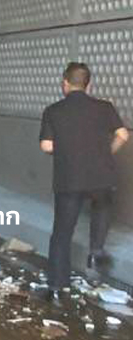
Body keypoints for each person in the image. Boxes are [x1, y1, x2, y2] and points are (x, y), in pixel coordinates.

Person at [39, 62, 129, 298]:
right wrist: (107, 152)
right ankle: (96, 251)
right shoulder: (104, 107)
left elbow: (46, 145)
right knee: (102, 208)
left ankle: (58, 284)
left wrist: (68, 150)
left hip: (70, 178)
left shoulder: (54, 110)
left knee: (62, 232)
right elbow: (123, 135)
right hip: (102, 176)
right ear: (89, 85)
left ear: (65, 83)